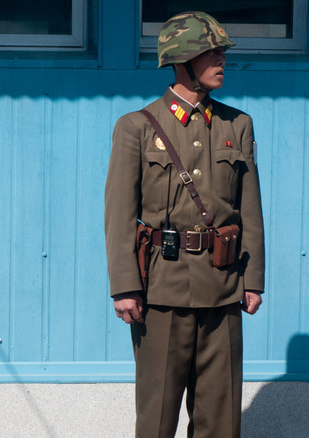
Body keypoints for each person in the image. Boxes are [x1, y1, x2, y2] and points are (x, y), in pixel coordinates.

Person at [104, 11, 266, 438]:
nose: (221, 60)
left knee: (222, 421)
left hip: (223, 287)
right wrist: (125, 287)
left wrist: (253, 280)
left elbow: (250, 209)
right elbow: (119, 213)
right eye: (210, 52)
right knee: (156, 419)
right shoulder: (136, 128)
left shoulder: (237, 125)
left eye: (221, 52)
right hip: (161, 293)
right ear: (181, 61)